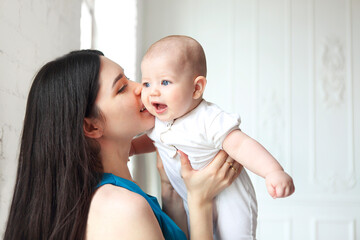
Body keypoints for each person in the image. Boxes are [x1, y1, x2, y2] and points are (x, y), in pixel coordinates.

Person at [3, 49, 241, 240]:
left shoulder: (112, 196)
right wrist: (200, 202)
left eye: (129, 78)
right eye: (122, 88)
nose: (142, 88)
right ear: (92, 127)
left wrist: (170, 190)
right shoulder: (121, 208)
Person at [137, 35, 295, 239]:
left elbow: (240, 144)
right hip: (192, 195)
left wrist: (273, 171)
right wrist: (131, 148)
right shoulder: (159, 121)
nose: (153, 92)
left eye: (165, 82)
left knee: (233, 234)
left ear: (196, 88)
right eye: (147, 84)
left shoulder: (208, 118)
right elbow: (152, 139)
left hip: (229, 195)